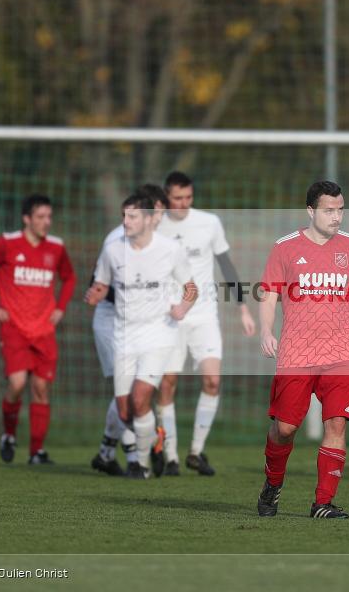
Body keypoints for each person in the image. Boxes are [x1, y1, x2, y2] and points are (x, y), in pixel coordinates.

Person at [256, 181, 349, 519]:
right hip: (296, 353)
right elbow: (268, 294)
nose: (336, 216)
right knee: (285, 429)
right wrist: (266, 330)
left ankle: (322, 502)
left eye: (340, 209)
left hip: (341, 353)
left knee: (337, 425)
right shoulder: (286, 248)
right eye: (329, 210)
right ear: (311, 211)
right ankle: (272, 484)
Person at [85, 193, 197, 480]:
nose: (126, 222)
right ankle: (154, 441)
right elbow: (100, 284)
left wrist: (182, 308)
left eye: (133, 216)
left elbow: (191, 288)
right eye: (124, 216)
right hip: (124, 335)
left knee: (140, 398)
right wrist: (94, 294)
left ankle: (142, 462)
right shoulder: (113, 249)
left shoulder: (170, 249)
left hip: (157, 334)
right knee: (125, 410)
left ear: (149, 219)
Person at [154, 171, 256, 476]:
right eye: (177, 198)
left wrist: (243, 308)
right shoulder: (154, 224)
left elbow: (226, 265)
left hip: (203, 314)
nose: (183, 204)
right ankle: (170, 454)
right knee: (168, 382)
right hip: (168, 317)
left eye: (188, 197)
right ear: (166, 197)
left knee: (212, 380)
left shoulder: (209, 223)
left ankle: (196, 451)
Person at [0, 195, 76, 465]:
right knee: (17, 384)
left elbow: (70, 277)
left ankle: (36, 452)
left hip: (44, 331)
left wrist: (60, 307)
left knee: (40, 388)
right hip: (14, 328)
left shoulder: (56, 248)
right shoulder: (7, 243)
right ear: (26, 218)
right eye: (40, 217)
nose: (46, 222)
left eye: (49, 217)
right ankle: (9, 434)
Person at [90, 185, 169, 478]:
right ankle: (137, 457)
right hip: (113, 321)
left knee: (132, 394)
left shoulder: (159, 243)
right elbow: (99, 285)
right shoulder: (118, 240)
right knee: (125, 394)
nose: (162, 216)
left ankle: (107, 453)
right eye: (159, 210)